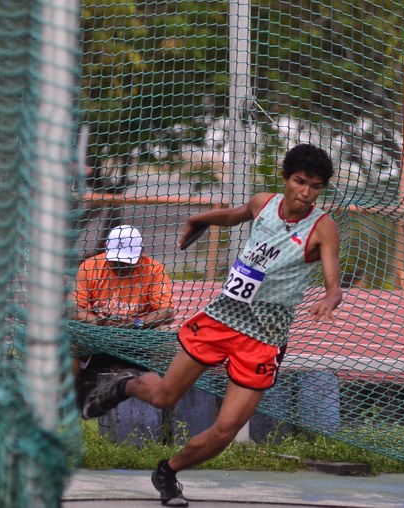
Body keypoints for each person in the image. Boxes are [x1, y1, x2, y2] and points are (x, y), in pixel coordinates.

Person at [82, 143, 342, 507]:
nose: (305, 192)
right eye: (300, 182)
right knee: (163, 397)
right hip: (222, 319)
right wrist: (199, 219)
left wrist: (330, 297)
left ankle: (167, 471)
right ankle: (126, 386)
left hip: (264, 338)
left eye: (314, 187)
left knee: (225, 430)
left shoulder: (322, 227)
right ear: (285, 179)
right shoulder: (262, 203)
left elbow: (333, 281)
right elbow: (234, 215)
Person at [72, 224, 176, 409]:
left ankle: (165, 410)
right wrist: (97, 322)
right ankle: (65, 405)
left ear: (141, 253)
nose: (121, 266)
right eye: (116, 261)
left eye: (127, 261)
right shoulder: (89, 267)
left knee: (168, 341)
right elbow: (73, 309)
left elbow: (167, 312)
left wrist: (136, 324)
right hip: (98, 338)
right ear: (106, 249)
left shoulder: (154, 270)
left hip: (137, 339)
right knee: (69, 339)